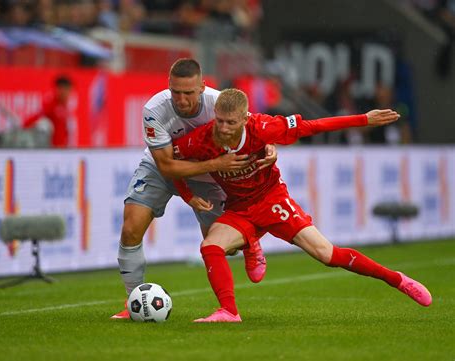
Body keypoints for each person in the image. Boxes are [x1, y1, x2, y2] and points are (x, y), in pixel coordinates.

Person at [172, 88, 432, 323]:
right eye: (219, 121)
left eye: (231, 122)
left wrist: (364, 119)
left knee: (327, 255)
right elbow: (170, 163)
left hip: (272, 200)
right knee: (210, 246)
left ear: (245, 118)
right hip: (239, 208)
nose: (224, 128)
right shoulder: (200, 139)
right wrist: (187, 195)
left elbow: (314, 126)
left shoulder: (263, 127)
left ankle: (397, 279)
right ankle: (229, 311)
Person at [111, 59, 276, 319]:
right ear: (169, 86)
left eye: (188, 92)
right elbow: (166, 166)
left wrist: (268, 147)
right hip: (164, 167)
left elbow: (252, 131)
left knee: (223, 245)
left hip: (210, 177)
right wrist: (215, 163)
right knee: (131, 228)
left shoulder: (219, 102)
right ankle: (134, 301)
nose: (181, 99)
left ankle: (250, 242)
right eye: (176, 92)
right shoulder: (154, 109)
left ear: (202, 87)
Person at [23, 75, 74, 148]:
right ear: (60, 89)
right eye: (66, 89)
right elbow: (37, 118)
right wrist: (24, 126)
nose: (68, 93)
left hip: (62, 148)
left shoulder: (65, 107)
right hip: (53, 149)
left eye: (70, 90)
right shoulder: (51, 105)